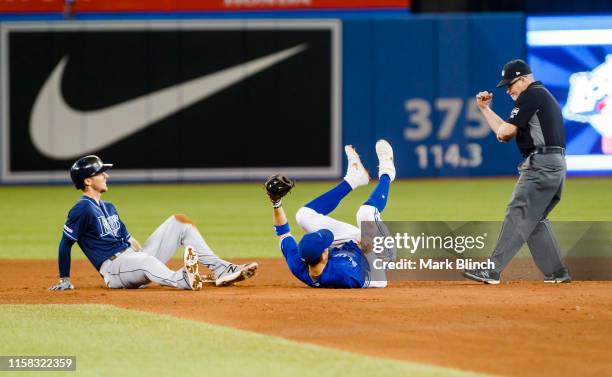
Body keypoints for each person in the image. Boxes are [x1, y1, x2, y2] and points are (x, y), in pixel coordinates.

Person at [48, 155, 258, 291]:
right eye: (100, 172)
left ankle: (220, 269)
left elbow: (130, 240)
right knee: (146, 263)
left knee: (180, 222)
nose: (106, 175)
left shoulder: (109, 207)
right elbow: (65, 244)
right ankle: (182, 279)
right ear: (87, 181)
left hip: (132, 260)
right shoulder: (81, 208)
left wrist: (143, 254)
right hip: (114, 269)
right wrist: (64, 279)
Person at [463, 59, 571, 284]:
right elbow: (503, 132)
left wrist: (486, 111)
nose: (509, 90)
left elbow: (505, 134)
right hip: (555, 163)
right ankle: (557, 272)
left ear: (523, 79)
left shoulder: (530, 95)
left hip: (541, 163)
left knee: (518, 212)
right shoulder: (541, 95)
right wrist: (485, 110)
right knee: (534, 219)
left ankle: (492, 269)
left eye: (511, 84)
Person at [265, 140, 397, 288]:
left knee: (303, 215)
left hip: (349, 245)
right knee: (365, 213)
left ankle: (353, 178)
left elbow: (283, 233)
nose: (329, 245)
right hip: (377, 256)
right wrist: (369, 252)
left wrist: (275, 202)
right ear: (324, 255)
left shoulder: (299, 264)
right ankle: (387, 172)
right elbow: (380, 280)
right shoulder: (345, 275)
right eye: (327, 244)